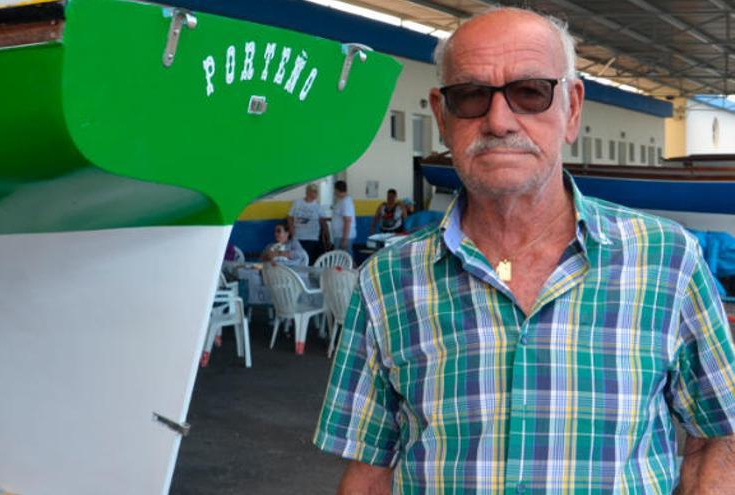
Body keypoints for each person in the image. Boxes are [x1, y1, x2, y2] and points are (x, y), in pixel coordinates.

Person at [314, 7, 735, 495]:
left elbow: (718, 436)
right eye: (470, 95)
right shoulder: (387, 282)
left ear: (572, 108)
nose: (498, 120)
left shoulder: (667, 261)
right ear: (441, 116)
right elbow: (369, 470)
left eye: (530, 92)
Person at [287, 183, 325, 264]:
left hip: (312, 238)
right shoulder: (297, 203)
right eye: (313, 191)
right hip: (298, 236)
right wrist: (292, 232)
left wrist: (325, 237)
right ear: (308, 192)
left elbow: (323, 222)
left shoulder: (318, 206)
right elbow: (290, 217)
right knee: (298, 260)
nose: (315, 194)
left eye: (316, 192)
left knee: (310, 260)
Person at [330, 180, 356, 255]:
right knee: (343, 258)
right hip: (339, 235)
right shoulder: (341, 201)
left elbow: (347, 221)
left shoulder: (345, 202)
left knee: (344, 259)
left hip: (343, 236)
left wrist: (344, 239)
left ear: (337, 190)